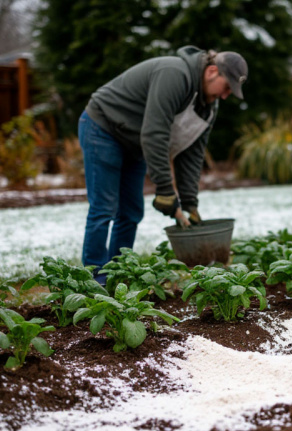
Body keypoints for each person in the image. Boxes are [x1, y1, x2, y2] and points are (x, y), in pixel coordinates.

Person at [77, 46, 248, 283]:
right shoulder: (175, 74)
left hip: (134, 142)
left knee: (131, 212)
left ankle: (117, 275)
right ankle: (94, 279)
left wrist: (189, 203)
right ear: (211, 71)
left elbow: (192, 153)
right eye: (227, 86)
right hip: (103, 128)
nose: (226, 95)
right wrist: (166, 190)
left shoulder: (208, 106)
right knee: (104, 208)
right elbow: (155, 133)